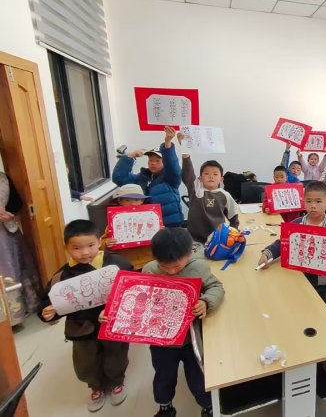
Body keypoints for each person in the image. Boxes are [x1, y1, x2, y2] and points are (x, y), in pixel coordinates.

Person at [39, 220, 132, 412]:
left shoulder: (117, 264)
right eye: (76, 248)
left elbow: (133, 287)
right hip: (81, 327)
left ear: (99, 242)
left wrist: (117, 309)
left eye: (90, 245)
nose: (84, 252)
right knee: (85, 362)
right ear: (66, 248)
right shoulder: (61, 277)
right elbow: (47, 303)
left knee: (116, 355)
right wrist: (47, 312)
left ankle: (116, 382)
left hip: (112, 323)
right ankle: (95, 387)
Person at [139, 228, 224, 417]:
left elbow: (216, 287)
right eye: (164, 266)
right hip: (161, 340)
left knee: (198, 377)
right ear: (155, 258)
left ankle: (208, 406)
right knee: (163, 376)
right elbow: (139, 297)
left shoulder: (198, 268)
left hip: (191, 339)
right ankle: (165, 405)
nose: (170, 271)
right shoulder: (149, 270)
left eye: (176, 267)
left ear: (190, 253)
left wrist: (206, 302)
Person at [257, 181, 326, 305]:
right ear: (303, 202)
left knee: (323, 309)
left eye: (318, 201)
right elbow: (282, 243)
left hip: (324, 280)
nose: (313, 206)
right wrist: (267, 254)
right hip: (298, 275)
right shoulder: (296, 223)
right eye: (309, 201)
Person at [112, 127, 183, 227]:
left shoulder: (171, 177)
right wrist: (130, 156)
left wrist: (167, 142)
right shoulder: (141, 177)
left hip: (170, 226)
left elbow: (172, 164)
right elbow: (119, 178)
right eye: (151, 160)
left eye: (157, 160)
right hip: (146, 226)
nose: (153, 163)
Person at [0, 172, 41, 315]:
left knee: (16, 267)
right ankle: (8, 315)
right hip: (6, 232)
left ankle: (19, 309)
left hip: (7, 231)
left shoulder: (3, 178)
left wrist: (7, 213)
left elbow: (17, 204)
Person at [182, 155, 240, 246]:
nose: (211, 176)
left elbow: (233, 217)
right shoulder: (196, 191)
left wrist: (233, 234)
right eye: (207, 174)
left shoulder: (225, 195)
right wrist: (186, 159)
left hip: (217, 239)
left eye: (215, 174)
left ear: (221, 179)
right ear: (200, 178)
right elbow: (188, 176)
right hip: (194, 240)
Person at [100, 183, 150, 250]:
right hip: (123, 255)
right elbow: (100, 243)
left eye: (136, 200)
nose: (133, 204)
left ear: (142, 201)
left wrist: (160, 232)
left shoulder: (150, 217)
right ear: (120, 201)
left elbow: (158, 239)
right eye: (127, 200)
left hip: (147, 254)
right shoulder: (115, 220)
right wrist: (106, 243)